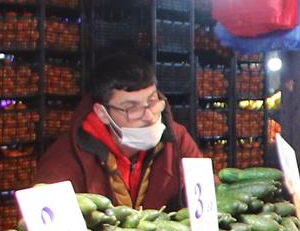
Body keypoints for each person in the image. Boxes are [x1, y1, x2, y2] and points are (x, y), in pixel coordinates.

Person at [34, 52, 205, 212]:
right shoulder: (66, 157)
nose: (148, 116)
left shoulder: (177, 139)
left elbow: (206, 195)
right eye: (131, 108)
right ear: (103, 113)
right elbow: (46, 222)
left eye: (152, 101)